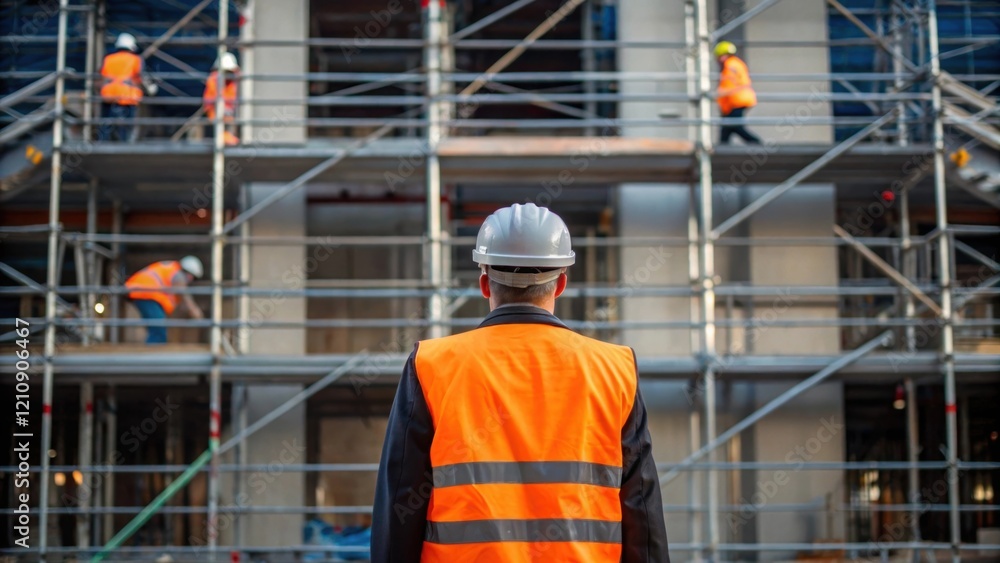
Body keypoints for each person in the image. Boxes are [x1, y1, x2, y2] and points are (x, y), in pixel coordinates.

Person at [371, 203, 669, 562]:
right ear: (560, 283)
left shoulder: (431, 366)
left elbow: (400, 505)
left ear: (484, 283)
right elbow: (642, 515)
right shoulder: (614, 369)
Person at [124, 256, 205, 344]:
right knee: (159, 331)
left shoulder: (171, 269)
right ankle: (150, 355)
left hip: (144, 293)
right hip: (146, 293)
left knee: (157, 329)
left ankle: (151, 353)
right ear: (188, 273)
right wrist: (195, 311)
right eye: (192, 277)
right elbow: (183, 294)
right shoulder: (178, 274)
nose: (190, 280)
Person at [99, 33, 156, 141]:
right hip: (127, 97)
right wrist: (150, 88)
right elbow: (141, 77)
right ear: (131, 47)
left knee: (106, 126)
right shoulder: (135, 59)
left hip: (109, 96)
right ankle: (123, 147)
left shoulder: (108, 59)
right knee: (125, 128)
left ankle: (103, 144)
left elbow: (102, 77)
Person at [715, 40, 761, 145]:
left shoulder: (730, 65)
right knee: (727, 126)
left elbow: (728, 83)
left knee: (734, 125)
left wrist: (720, 93)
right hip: (739, 99)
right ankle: (723, 147)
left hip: (736, 100)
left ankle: (757, 143)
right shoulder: (737, 63)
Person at [203, 52, 240, 146]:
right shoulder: (213, 81)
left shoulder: (238, 82)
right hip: (217, 118)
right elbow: (209, 105)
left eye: (230, 71)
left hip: (232, 117)